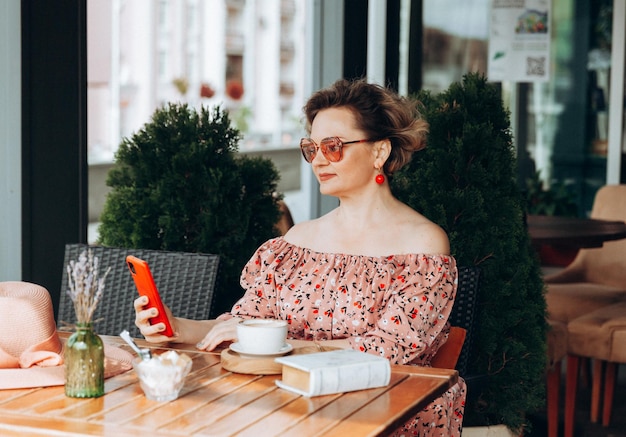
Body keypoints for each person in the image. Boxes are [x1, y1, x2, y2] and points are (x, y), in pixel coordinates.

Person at [134, 78, 466, 436]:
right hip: (287, 402)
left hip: (378, 410)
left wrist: (285, 347)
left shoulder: (422, 246)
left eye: (334, 147)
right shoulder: (296, 241)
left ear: (379, 152)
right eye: (312, 148)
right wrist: (175, 328)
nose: (319, 160)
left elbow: (389, 350)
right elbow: (246, 323)